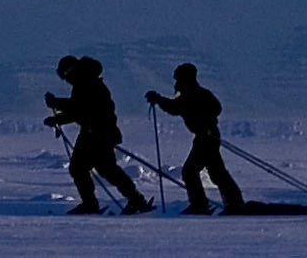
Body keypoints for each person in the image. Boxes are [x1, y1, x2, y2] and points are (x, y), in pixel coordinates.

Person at [42, 55, 151, 214]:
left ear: (70, 71)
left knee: (79, 168)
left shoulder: (87, 84)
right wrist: (57, 118)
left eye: (64, 76)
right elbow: (80, 112)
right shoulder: (88, 82)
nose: (65, 80)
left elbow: (81, 109)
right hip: (99, 133)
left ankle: (91, 205)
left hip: (95, 135)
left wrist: (57, 105)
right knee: (107, 170)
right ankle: (136, 200)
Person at [146, 62, 246, 213]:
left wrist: (204, 122)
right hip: (205, 137)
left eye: (178, 79)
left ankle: (202, 205)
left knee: (191, 171)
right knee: (216, 173)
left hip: (206, 137)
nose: (176, 83)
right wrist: (159, 99)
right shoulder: (194, 94)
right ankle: (233, 204)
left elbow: (178, 107)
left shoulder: (194, 94)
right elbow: (175, 107)